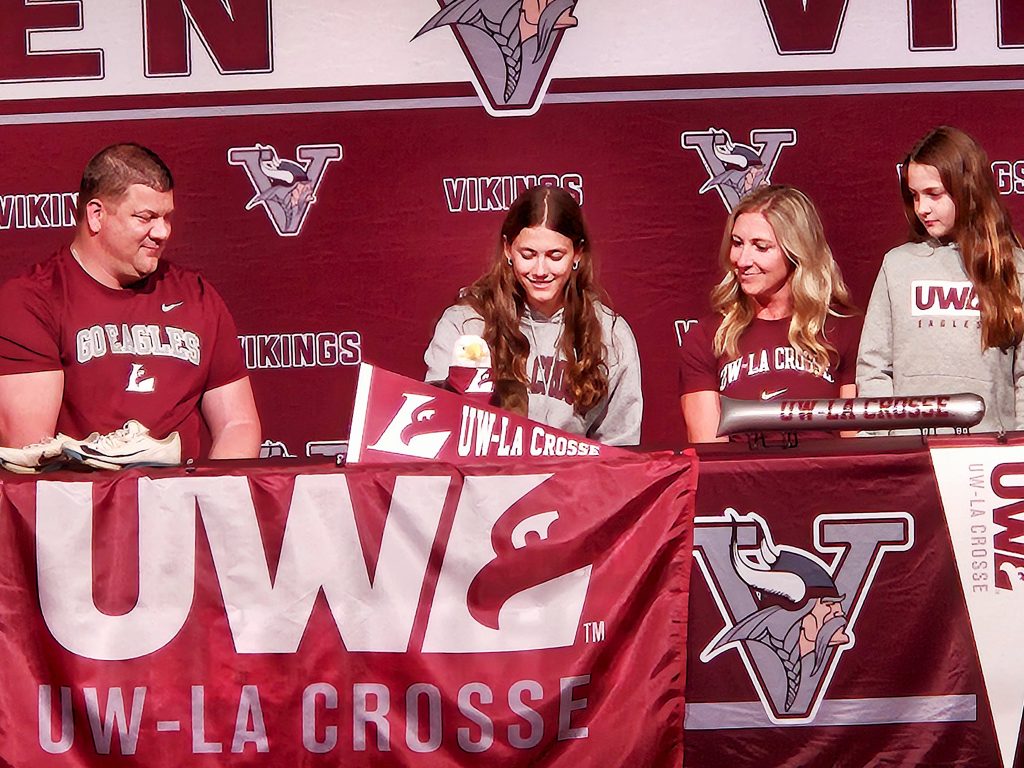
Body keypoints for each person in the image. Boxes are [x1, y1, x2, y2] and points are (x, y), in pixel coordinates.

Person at [0, 143, 261, 461]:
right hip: (84, 503)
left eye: (167, 217)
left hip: (179, 502)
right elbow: (31, 452)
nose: (162, 232)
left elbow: (238, 423)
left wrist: (214, 499)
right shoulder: (32, 301)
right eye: (146, 217)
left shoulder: (196, 296)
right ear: (97, 216)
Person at [424, 185, 642, 445]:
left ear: (578, 254)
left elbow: (620, 449)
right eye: (527, 255)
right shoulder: (464, 324)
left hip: (575, 482)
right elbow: (436, 431)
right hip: (486, 481)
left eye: (555, 255)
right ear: (508, 250)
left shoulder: (611, 334)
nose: (540, 270)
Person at [857, 126, 1024, 434]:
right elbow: (874, 368)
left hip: (987, 452)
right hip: (907, 451)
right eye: (914, 196)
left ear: (968, 189)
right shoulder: (897, 265)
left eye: (934, 194)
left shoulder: (1013, 267)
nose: (922, 208)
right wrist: (878, 441)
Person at [679, 185, 859, 442]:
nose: (742, 260)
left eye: (760, 247)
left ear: (797, 252)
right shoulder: (707, 338)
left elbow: (857, 446)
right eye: (737, 243)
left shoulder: (845, 330)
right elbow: (710, 454)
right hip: (740, 480)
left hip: (827, 480)